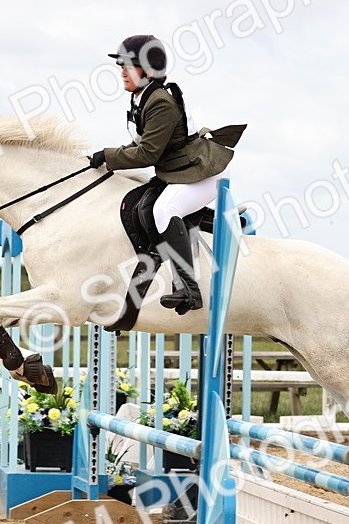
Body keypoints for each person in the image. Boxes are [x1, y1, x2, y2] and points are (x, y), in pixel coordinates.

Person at [88, 34, 241, 314]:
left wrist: (108, 156)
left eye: (128, 65)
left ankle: (189, 290)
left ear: (147, 71)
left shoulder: (159, 102)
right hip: (178, 170)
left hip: (202, 171)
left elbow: (147, 154)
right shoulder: (141, 98)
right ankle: (199, 222)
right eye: (121, 65)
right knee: (144, 206)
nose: (122, 71)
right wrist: (103, 157)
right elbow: (138, 145)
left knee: (163, 210)